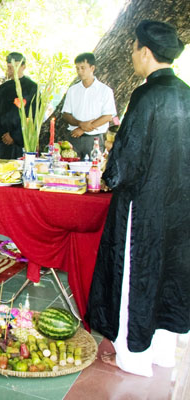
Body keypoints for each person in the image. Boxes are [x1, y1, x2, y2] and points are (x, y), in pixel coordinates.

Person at [85, 20, 189, 378]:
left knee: (137, 274)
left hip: (144, 207)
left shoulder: (147, 95)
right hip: (179, 208)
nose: (132, 56)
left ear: (146, 51)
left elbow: (124, 163)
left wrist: (109, 174)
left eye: (132, 49)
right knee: (168, 275)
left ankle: (132, 356)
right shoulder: (187, 95)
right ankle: (162, 352)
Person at [62, 53, 117, 159]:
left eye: (83, 68)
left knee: (93, 172)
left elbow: (107, 116)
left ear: (92, 68)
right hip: (74, 138)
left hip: (94, 139)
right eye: (77, 68)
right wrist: (80, 124)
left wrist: (82, 130)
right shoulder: (72, 90)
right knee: (69, 169)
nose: (79, 71)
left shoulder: (105, 90)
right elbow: (66, 114)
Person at [0, 52, 37, 159]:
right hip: (3, 142)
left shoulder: (32, 88)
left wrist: (15, 136)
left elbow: (33, 115)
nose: (11, 70)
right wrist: (3, 136)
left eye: (15, 67)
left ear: (23, 67)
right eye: (9, 67)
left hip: (22, 142)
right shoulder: (3, 88)